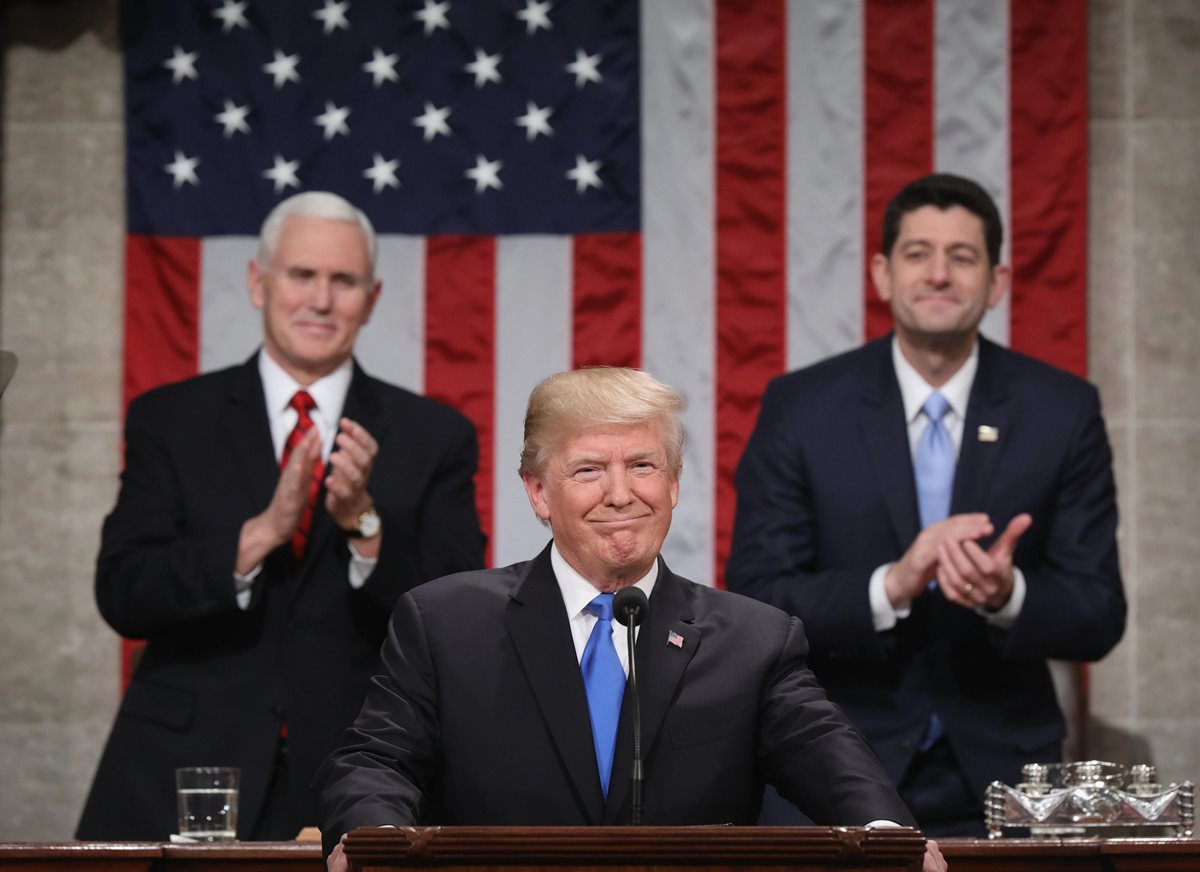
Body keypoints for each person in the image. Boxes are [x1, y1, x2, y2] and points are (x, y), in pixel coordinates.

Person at [316, 367, 945, 872]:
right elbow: (375, 761)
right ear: (538, 493)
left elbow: (826, 753)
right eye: (589, 470)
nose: (621, 493)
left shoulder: (754, 641)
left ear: (673, 484)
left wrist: (888, 837)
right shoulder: (446, 623)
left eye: (642, 466)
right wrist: (376, 840)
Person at [76, 191, 487, 841]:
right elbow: (124, 592)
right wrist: (261, 533)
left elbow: (459, 615)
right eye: (302, 275)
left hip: (359, 779)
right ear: (257, 282)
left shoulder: (433, 435)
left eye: (343, 280)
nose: (320, 300)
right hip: (186, 771)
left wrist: (365, 526)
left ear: (372, 298)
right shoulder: (171, 419)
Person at [726, 173, 1126, 836]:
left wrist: (1009, 594)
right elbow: (758, 599)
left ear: (996, 282)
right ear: (883, 274)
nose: (938, 274)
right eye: (918, 254)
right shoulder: (801, 408)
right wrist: (892, 585)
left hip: (1006, 785)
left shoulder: (1063, 410)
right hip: (831, 771)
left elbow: (1099, 612)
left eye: (962, 257)